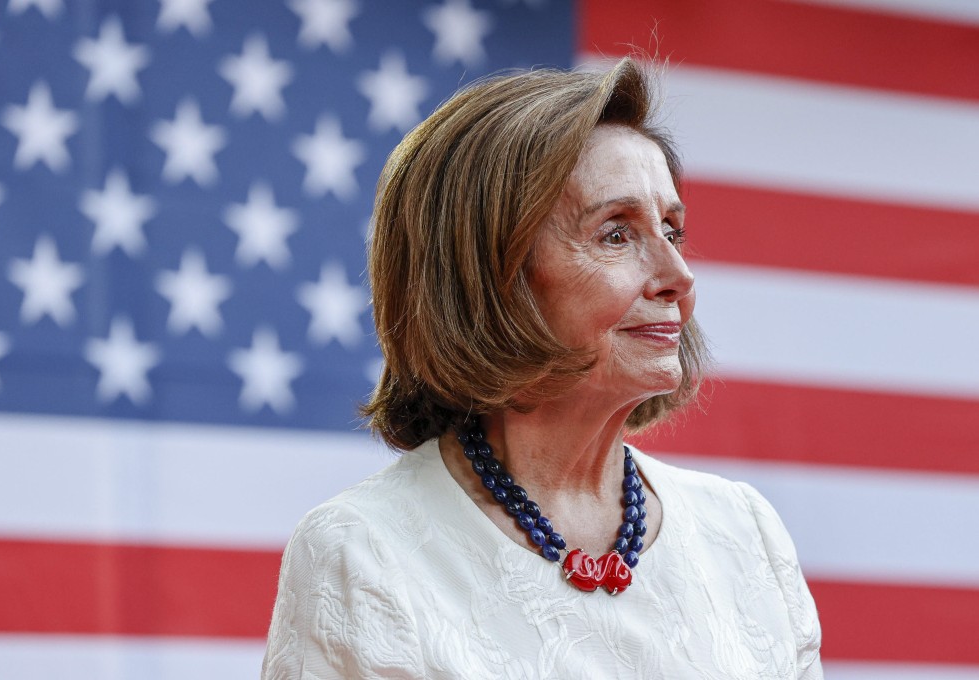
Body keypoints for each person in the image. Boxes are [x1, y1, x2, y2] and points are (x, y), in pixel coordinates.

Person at [262, 57, 823, 679]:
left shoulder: (745, 532)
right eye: (616, 234)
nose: (678, 278)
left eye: (672, 229)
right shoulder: (362, 552)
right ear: (488, 276)